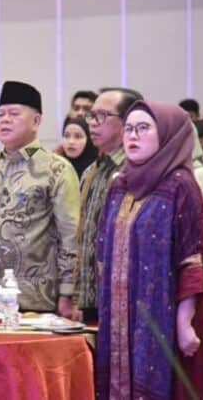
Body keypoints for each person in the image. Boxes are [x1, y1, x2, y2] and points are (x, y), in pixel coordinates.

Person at [96, 100, 203, 399]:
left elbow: (194, 258)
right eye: (128, 129)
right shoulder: (119, 185)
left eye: (143, 128)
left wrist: (184, 322)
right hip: (118, 314)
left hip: (164, 314)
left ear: (168, 135)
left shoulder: (180, 186)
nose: (133, 136)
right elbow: (103, 250)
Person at [0, 81, 79, 316]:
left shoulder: (56, 169)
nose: (5, 120)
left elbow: (70, 235)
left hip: (35, 300)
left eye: (14, 114)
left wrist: (68, 293)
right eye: (1, 114)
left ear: (36, 121)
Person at [73, 87, 142, 322]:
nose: (93, 123)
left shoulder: (137, 173)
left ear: (128, 122)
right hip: (90, 301)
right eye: (92, 116)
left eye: (102, 116)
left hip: (125, 300)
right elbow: (83, 237)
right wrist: (77, 296)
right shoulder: (92, 171)